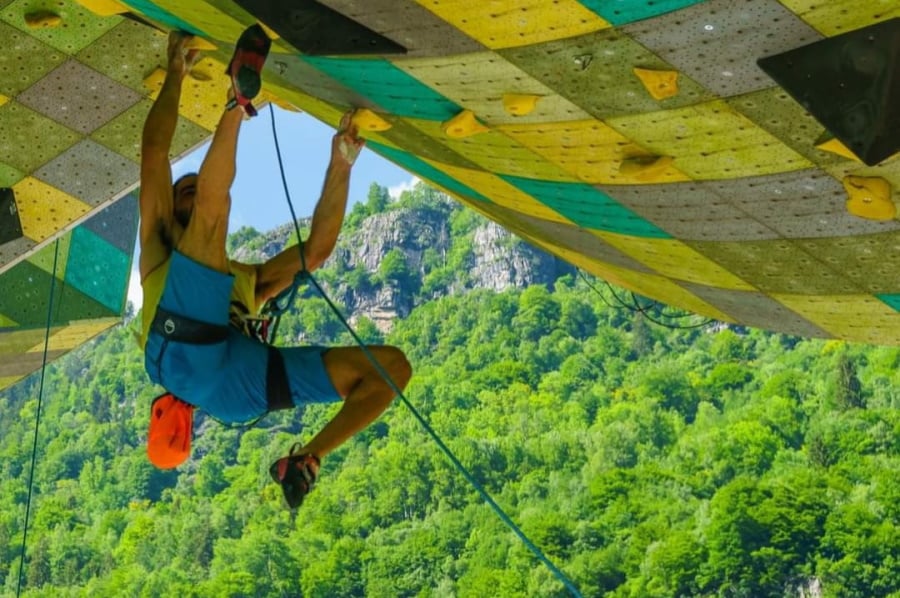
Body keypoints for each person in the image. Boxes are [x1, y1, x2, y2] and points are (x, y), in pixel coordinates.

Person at [138, 30, 412, 508]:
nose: (191, 187)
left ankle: (236, 100)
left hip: (183, 358)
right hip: (236, 386)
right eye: (186, 189)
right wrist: (343, 161)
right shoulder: (161, 238)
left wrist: (177, 69)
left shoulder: (243, 278)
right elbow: (156, 157)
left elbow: (316, 249)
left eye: (193, 185)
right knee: (391, 369)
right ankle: (305, 460)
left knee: (213, 216)